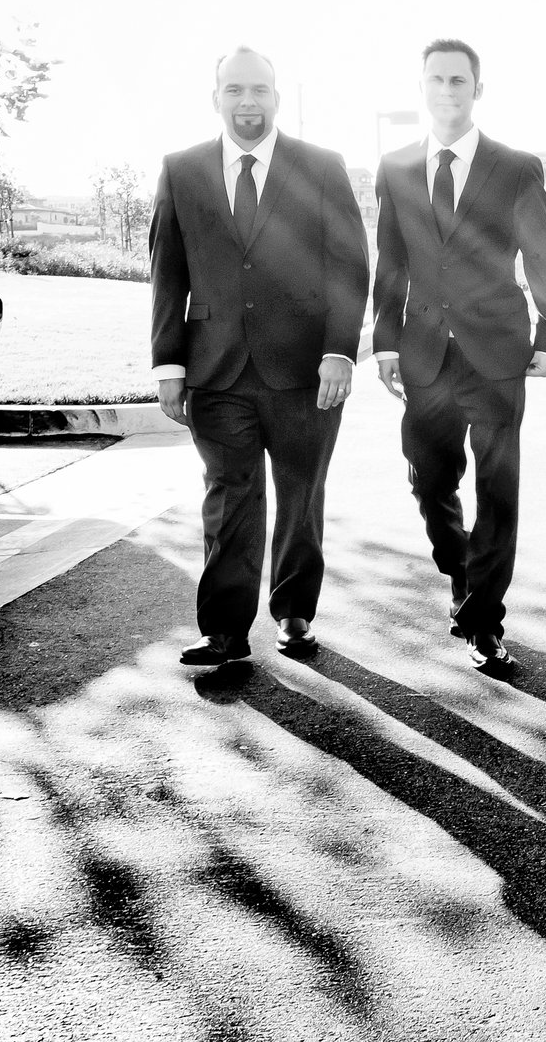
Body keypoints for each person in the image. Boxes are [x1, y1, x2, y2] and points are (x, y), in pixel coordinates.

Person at [149, 46, 369, 666]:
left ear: (277, 97)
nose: (248, 101)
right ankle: (224, 630)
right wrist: (169, 364)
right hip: (215, 369)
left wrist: (340, 351)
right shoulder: (181, 169)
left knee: (300, 495)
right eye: (235, 89)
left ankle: (295, 612)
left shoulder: (321, 166)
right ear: (215, 97)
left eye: (260, 90)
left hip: (306, 373)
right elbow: (167, 272)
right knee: (229, 496)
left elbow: (349, 265)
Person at [371, 39, 546, 678]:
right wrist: (385, 340)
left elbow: (540, 256)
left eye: (459, 80)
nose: (447, 90)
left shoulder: (516, 167)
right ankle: (463, 573)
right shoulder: (397, 167)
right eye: (436, 79)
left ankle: (485, 621)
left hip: (497, 351)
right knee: (429, 481)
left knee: (497, 490)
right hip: (425, 351)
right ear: (421, 88)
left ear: (478, 89)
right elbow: (391, 261)